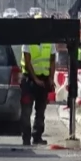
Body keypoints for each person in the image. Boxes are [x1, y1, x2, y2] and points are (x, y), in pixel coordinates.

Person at [19, 14, 56, 146]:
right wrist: (35, 79)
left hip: (43, 80)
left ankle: (37, 136)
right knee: (26, 111)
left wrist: (51, 78)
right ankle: (26, 137)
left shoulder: (49, 41)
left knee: (40, 111)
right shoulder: (28, 40)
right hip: (29, 79)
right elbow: (27, 61)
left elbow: (52, 61)